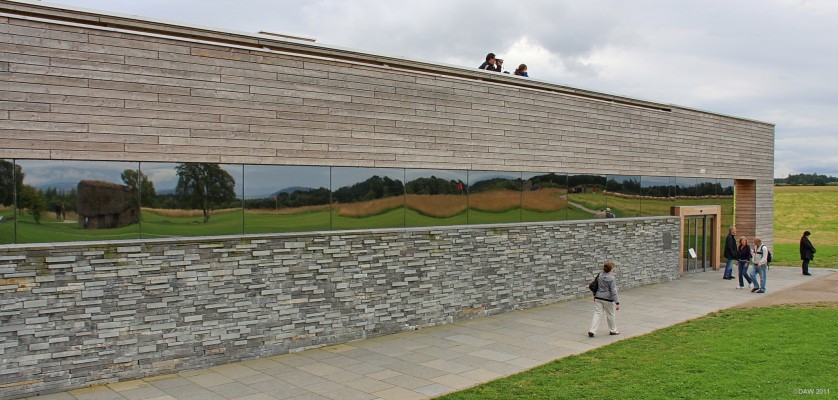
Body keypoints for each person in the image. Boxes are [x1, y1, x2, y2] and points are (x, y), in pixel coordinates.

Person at [588, 261, 620, 337]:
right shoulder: (611, 278)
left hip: (598, 297)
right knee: (610, 315)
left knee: (597, 314)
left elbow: (595, 285)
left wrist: (594, 295)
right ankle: (613, 330)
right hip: (608, 299)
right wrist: (617, 302)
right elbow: (613, 291)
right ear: (611, 269)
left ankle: (592, 330)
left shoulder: (600, 274)